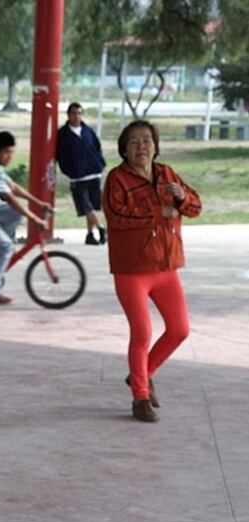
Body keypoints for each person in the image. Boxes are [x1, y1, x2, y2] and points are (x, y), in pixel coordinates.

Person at [102, 120, 201, 423]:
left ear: (156, 147)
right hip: (131, 269)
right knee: (142, 332)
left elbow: (195, 207)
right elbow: (116, 216)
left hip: (166, 266)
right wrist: (160, 212)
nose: (141, 146)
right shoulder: (117, 178)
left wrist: (181, 198)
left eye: (147, 140)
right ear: (124, 149)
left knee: (179, 330)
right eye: (134, 142)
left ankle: (143, 373)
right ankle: (140, 397)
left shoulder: (167, 173)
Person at [0, 131, 53, 306]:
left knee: (14, 214)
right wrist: (36, 220)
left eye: (12, 153)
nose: (10, 157)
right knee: (7, 247)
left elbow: (13, 187)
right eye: (6, 153)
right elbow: (10, 198)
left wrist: (38, 203)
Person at [57, 102, 108, 245]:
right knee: (85, 206)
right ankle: (101, 228)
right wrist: (69, 170)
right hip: (77, 177)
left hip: (94, 172)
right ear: (68, 115)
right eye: (73, 113)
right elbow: (60, 155)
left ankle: (90, 234)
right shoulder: (63, 134)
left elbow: (97, 147)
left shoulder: (87, 131)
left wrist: (100, 163)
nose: (76, 116)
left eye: (79, 113)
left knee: (91, 206)